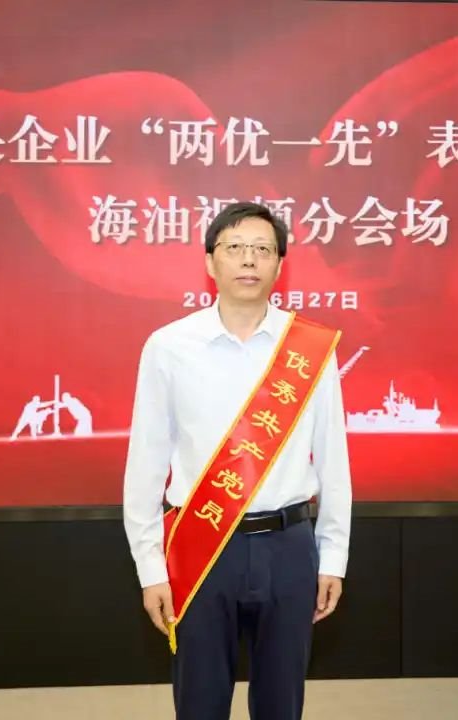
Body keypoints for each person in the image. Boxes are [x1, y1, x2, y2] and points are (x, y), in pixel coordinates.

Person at [122, 202, 352, 720]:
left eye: (262, 249)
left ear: (279, 264)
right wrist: (150, 567)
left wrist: (333, 557)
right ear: (210, 261)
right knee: (200, 702)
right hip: (202, 544)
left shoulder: (311, 348)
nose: (249, 259)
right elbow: (145, 464)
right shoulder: (169, 346)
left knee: (281, 704)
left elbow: (333, 460)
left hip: (289, 548)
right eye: (235, 248)